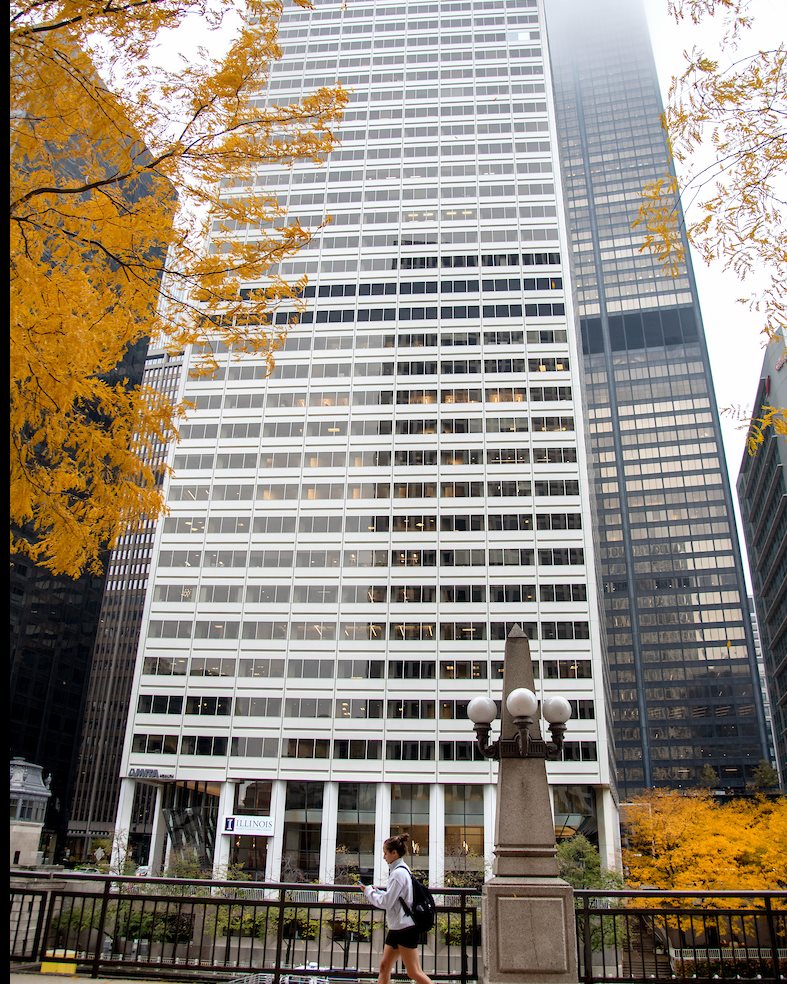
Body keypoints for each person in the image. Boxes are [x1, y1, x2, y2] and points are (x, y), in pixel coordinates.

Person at [362, 833, 434, 984]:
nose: (384, 856)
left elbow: (387, 902)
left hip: (404, 929)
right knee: (384, 967)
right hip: (398, 927)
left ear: (394, 853)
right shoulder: (401, 870)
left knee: (413, 972)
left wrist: (369, 892)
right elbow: (395, 898)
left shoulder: (398, 874)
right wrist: (377, 892)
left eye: (385, 853)